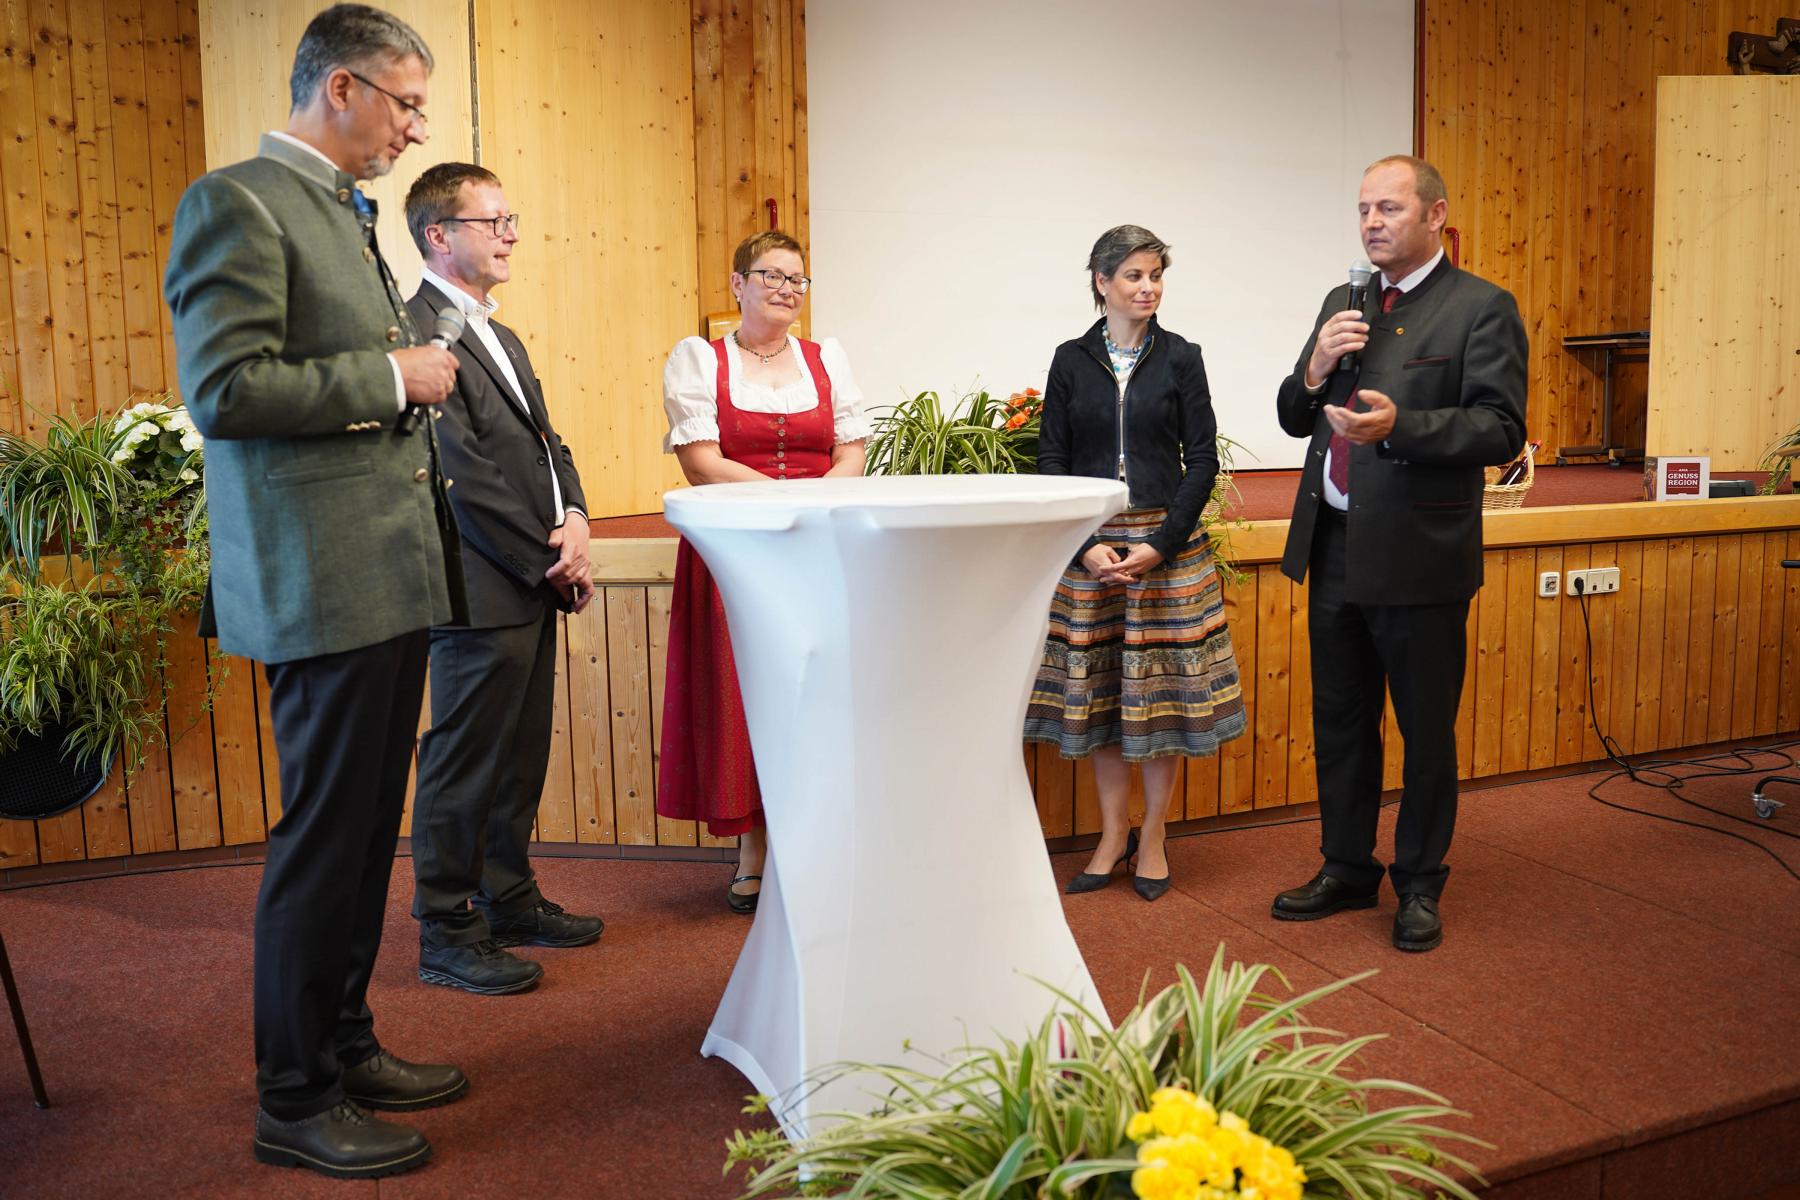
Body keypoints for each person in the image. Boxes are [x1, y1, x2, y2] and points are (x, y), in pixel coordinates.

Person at [162, 4, 468, 1180]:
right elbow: (227, 391)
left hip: (379, 573)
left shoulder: (342, 211)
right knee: (323, 843)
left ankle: (344, 1043)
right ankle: (293, 1097)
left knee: (360, 837)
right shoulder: (234, 201)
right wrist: (390, 374)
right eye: (404, 102)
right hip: (319, 578)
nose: (412, 127)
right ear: (338, 88)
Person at [1269, 155, 1527, 952]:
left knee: (1424, 730)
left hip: (1420, 553)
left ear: (1436, 215)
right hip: (1336, 545)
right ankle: (1347, 866)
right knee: (1343, 724)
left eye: (1388, 207)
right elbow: (1290, 416)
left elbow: (1500, 427)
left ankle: (1419, 882)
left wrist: (1402, 430)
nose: (1372, 222)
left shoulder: (1481, 308)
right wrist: (1312, 367)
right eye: (1362, 209)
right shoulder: (1341, 302)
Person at [401, 162, 605, 996]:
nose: (511, 233)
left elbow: (546, 446)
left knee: (518, 754)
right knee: (464, 758)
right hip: (475, 579)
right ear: (439, 236)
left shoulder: (500, 332)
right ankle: (447, 929)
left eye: (512, 218)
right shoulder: (413, 331)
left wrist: (581, 520)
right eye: (494, 221)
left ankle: (508, 896)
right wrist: (545, 556)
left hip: (527, 572)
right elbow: (465, 474)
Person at [1025, 225, 1248, 902]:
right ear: (1102, 282)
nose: (1147, 288)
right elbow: (1051, 460)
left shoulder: (1182, 358)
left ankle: (1152, 837)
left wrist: (1164, 544)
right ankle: (1110, 835)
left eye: (1155, 275)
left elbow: (1202, 458)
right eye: (1133, 276)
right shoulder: (1070, 360)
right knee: (1102, 704)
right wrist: (1083, 542)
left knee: (1161, 705)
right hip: (1092, 551)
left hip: (1164, 549)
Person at [655, 230, 870, 912]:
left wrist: (811, 511)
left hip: (819, 549)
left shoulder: (826, 359)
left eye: (796, 279)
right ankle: (752, 853)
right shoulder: (698, 361)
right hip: (736, 555)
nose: (785, 288)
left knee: (821, 697)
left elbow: (853, 451)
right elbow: (702, 462)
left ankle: (823, 848)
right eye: (770, 275)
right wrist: (783, 503)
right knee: (743, 700)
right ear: (738, 284)